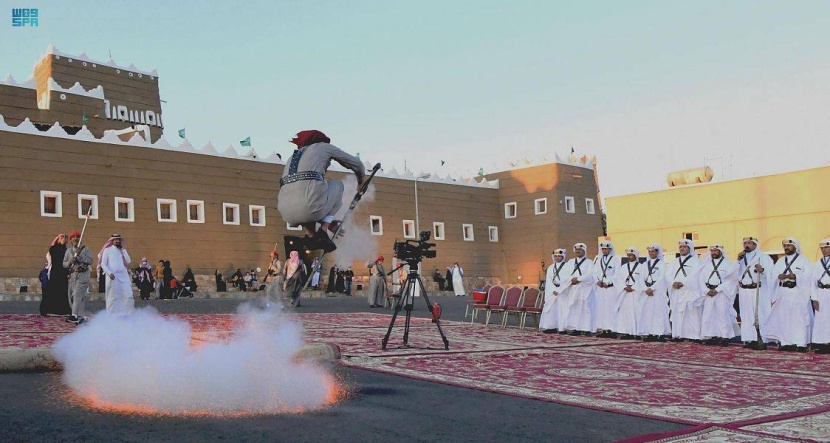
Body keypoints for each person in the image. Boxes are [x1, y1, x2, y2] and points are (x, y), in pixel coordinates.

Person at [277, 130, 365, 253]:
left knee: (306, 194)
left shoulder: (293, 157)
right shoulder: (323, 147)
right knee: (337, 185)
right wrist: (361, 182)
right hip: (308, 205)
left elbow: (301, 203)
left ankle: (311, 236)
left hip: (286, 213)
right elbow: (356, 163)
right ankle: (323, 232)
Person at [766, 237, 813, 352]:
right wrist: (778, 277)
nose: (786, 247)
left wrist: (796, 276)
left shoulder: (804, 260)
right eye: (785, 246)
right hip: (783, 292)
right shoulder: (780, 261)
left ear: (795, 247)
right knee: (784, 318)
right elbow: (772, 276)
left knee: (799, 319)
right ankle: (786, 342)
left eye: (789, 245)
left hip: (798, 292)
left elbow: (810, 276)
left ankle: (800, 343)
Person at [736, 236, 775, 348]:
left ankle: (762, 339)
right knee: (746, 315)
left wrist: (762, 270)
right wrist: (737, 261)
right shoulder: (741, 258)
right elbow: (733, 273)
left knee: (759, 314)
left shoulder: (763, 257)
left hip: (758, 290)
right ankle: (749, 339)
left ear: (755, 245)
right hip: (744, 290)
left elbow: (772, 273)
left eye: (749, 243)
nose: (746, 245)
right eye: (745, 243)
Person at [699, 245, 740, 346]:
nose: (713, 252)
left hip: (721, 293)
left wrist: (717, 289)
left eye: (716, 250)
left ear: (721, 251)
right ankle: (710, 335)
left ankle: (724, 336)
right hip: (708, 293)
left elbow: (730, 279)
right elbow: (701, 279)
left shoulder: (727, 264)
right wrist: (706, 290)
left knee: (722, 315)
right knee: (709, 315)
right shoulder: (706, 264)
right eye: (712, 251)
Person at [665, 239, 703, 342]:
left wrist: (683, 282)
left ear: (689, 248)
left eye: (684, 247)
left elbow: (696, 275)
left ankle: (693, 335)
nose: (682, 249)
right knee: (677, 312)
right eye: (680, 247)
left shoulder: (696, 262)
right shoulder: (674, 262)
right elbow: (668, 275)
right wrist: (673, 282)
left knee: (691, 313)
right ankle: (677, 335)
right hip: (677, 291)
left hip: (689, 291)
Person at [637, 244, 671, 341]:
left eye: (653, 251)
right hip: (646, 292)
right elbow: (640, 279)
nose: (651, 253)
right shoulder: (644, 265)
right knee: (647, 313)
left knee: (658, 313)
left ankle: (659, 333)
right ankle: (650, 333)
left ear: (657, 252)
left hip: (657, 292)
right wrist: (645, 289)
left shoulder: (662, 264)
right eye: (650, 252)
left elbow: (662, 278)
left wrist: (652, 288)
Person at [564, 243, 596, 335]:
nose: (578, 251)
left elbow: (590, 275)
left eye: (580, 250)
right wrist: (571, 279)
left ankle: (586, 329)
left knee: (586, 309)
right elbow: (565, 274)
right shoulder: (570, 262)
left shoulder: (589, 262)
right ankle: (574, 328)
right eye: (577, 249)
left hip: (584, 289)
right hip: (573, 288)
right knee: (573, 307)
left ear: (584, 251)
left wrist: (578, 279)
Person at [98, 233, 133, 315]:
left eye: (119, 239)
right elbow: (103, 264)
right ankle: (110, 316)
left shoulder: (122, 250)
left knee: (129, 296)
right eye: (116, 239)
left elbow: (128, 261)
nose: (118, 241)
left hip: (124, 277)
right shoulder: (107, 250)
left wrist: (123, 250)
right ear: (112, 241)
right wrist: (109, 273)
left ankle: (127, 314)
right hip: (112, 277)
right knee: (112, 297)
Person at [63, 231, 92, 324]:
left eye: (78, 237)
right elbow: (64, 264)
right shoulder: (68, 251)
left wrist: (79, 257)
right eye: (73, 237)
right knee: (76, 296)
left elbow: (90, 261)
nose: (76, 238)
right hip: (73, 275)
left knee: (76, 294)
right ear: (71, 240)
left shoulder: (86, 249)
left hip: (83, 274)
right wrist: (70, 262)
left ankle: (74, 315)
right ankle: (83, 317)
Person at [613, 247, 643, 339]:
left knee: (636, 312)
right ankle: (625, 332)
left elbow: (642, 279)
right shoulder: (623, 267)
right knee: (624, 313)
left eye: (631, 255)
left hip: (635, 293)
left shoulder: (641, 267)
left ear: (636, 255)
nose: (629, 257)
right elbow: (618, 279)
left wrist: (633, 287)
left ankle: (636, 333)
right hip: (625, 293)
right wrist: (624, 287)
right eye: (628, 255)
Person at [540, 248, 572, 333]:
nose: (557, 258)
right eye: (556, 256)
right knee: (551, 309)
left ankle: (562, 328)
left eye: (559, 256)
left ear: (563, 256)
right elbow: (549, 280)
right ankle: (551, 327)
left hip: (563, 291)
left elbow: (568, 279)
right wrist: (553, 290)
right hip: (552, 292)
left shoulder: (568, 266)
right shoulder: (551, 267)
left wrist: (560, 290)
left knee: (563, 310)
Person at [40, 233, 71, 317]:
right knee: (52, 291)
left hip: (63, 273)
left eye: (64, 238)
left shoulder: (66, 250)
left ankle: (62, 310)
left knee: (63, 292)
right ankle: (49, 310)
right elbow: (51, 247)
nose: (63, 239)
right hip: (55, 273)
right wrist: (57, 237)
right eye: (61, 238)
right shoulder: (54, 249)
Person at [593, 241, 619, 337]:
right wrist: (597, 281)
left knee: (610, 308)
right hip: (600, 288)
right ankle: (603, 329)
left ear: (610, 249)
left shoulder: (615, 260)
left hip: (610, 288)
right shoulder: (598, 260)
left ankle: (612, 330)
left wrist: (607, 282)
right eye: (603, 249)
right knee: (601, 308)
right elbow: (594, 273)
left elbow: (617, 274)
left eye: (606, 249)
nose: (604, 251)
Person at [811, 239, 830, 353]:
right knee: (822, 320)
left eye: (826, 247)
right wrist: (814, 298)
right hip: (821, 293)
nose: (824, 250)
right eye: (822, 248)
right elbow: (813, 283)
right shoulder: (817, 264)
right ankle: (822, 343)